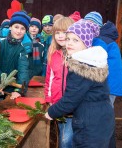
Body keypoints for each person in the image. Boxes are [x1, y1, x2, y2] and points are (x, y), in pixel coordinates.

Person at [45, 19, 114, 148]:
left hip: (89, 123)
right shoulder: (94, 61)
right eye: (68, 39)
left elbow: (70, 100)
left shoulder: (80, 67)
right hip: (103, 119)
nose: (69, 43)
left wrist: (51, 112)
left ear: (86, 43)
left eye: (76, 40)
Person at [84, 11, 122, 148]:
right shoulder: (106, 38)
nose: (88, 26)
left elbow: (94, 63)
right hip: (110, 84)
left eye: (91, 24)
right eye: (86, 23)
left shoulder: (100, 41)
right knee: (107, 115)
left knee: (103, 117)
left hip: (108, 85)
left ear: (98, 26)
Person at [44, 17, 74, 148]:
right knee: (62, 135)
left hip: (73, 105)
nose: (60, 36)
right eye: (57, 33)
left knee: (67, 140)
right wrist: (49, 98)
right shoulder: (54, 54)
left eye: (64, 32)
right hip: (58, 103)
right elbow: (49, 79)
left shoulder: (76, 55)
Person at [0, 10, 30, 99]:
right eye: (16, 27)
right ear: (10, 27)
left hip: (11, 88)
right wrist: (1, 79)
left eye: (23, 28)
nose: (19, 31)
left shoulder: (23, 49)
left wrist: (19, 90)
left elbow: (23, 70)